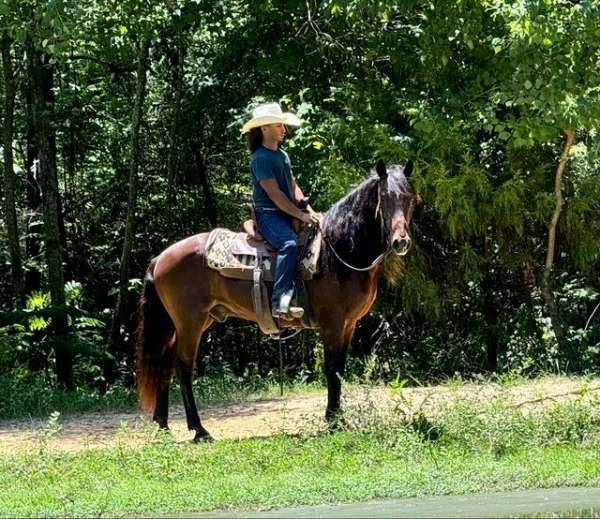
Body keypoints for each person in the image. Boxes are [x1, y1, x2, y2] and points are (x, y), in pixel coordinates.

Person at [241, 102, 321, 320]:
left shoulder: (282, 155)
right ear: (264, 128)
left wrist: (310, 211)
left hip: (287, 212)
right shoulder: (260, 158)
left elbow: (293, 187)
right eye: (279, 125)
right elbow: (275, 195)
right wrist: (301, 216)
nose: (284, 130)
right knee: (289, 244)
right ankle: (280, 300)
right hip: (268, 215)